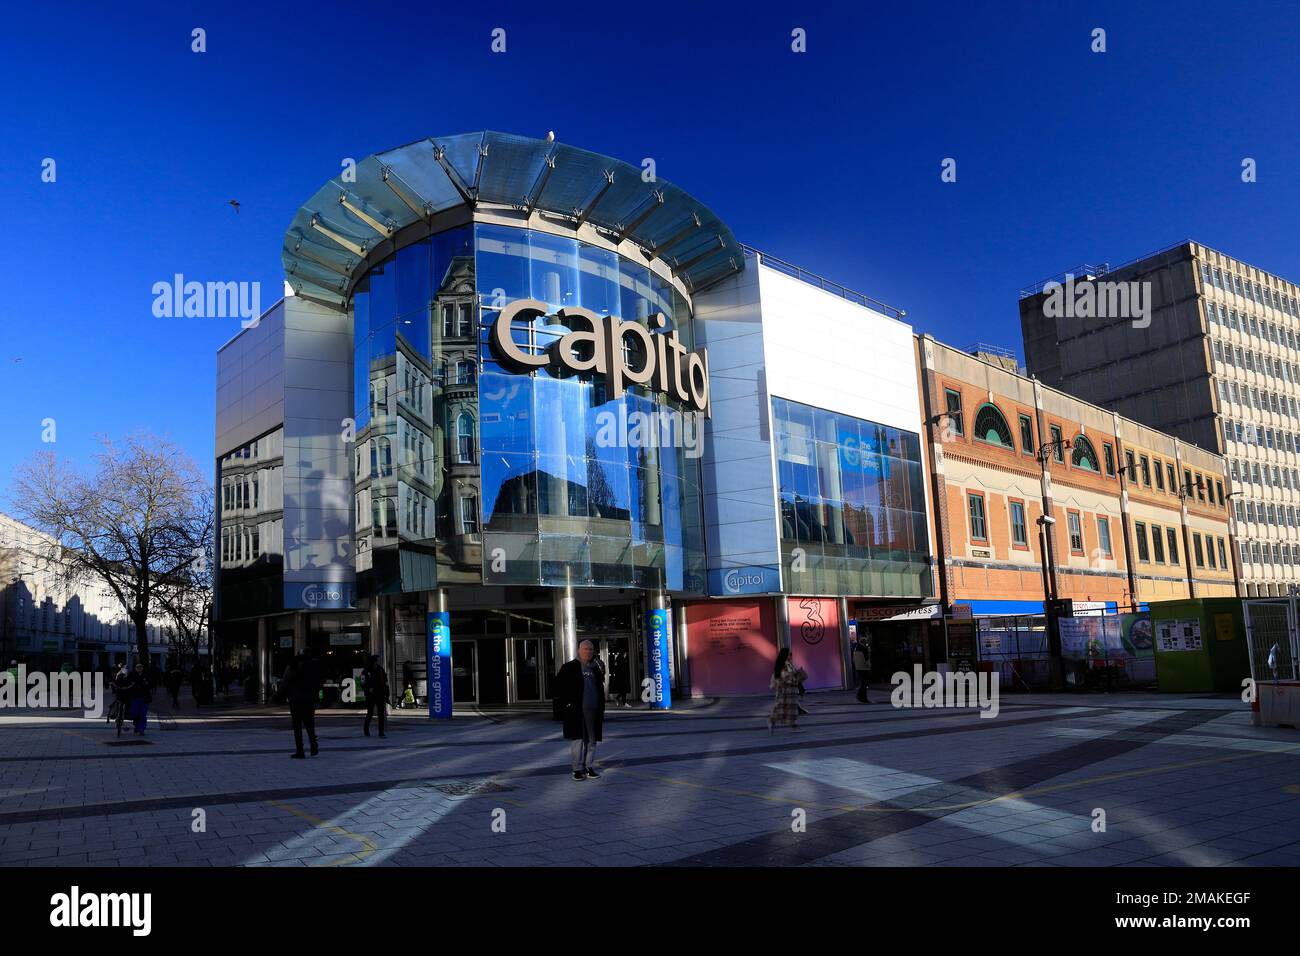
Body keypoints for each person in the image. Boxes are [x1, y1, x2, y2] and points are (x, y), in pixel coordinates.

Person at [553, 640, 605, 780]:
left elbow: (600, 689)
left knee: (592, 740)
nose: (588, 652)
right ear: (579, 650)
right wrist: (567, 705)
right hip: (577, 711)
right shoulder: (570, 667)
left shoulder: (595, 668)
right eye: (586, 649)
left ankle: (589, 767)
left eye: (590, 649)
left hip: (594, 712)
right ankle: (577, 769)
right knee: (578, 740)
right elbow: (558, 688)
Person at [282, 651, 321, 758]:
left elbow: (285, 682)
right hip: (309, 699)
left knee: (297, 726)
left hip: (295, 700)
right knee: (310, 724)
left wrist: (278, 695)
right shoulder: (313, 668)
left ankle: (300, 751)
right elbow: (318, 683)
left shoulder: (292, 667)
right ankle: (313, 746)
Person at [767, 649, 807, 733]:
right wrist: (797, 675)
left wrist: (798, 674)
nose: (791, 656)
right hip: (784, 691)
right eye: (789, 654)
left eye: (791, 654)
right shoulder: (782, 665)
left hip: (791, 691)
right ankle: (772, 722)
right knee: (781, 708)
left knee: (791, 709)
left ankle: (793, 726)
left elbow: (792, 676)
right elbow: (785, 677)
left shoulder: (789, 664)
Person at [123, 661, 153, 735]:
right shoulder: (131, 674)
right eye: (137, 667)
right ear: (135, 668)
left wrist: (147, 684)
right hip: (135, 697)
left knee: (143, 715)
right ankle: (136, 727)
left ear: (143, 668)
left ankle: (141, 730)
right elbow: (127, 682)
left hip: (144, 698)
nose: (139, 668)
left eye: (140, 667)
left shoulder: (146, 675)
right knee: (135, 714)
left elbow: (151, 683)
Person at [362, 655, 388, 738]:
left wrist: (387, 692)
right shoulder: (365, 671)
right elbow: (362, 683)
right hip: (371, 695)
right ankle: (366, 729)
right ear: (373, 661)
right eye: (376, 661)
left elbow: (385, 681)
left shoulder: (381, 670)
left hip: (380, 694)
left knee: (381, 714)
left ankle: (381, 732)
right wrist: (368, 688)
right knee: (370, 713)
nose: (377, 662)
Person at [853, 635, 873, 703]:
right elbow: (867, 660)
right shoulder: (864, 649)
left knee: (863, 683)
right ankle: (862, 697)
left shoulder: (856, 648)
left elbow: (854, 659)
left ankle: (861, 696)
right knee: (865, 684)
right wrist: (869, 666)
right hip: (864, 668)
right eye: (866, 642)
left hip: (858, 668)